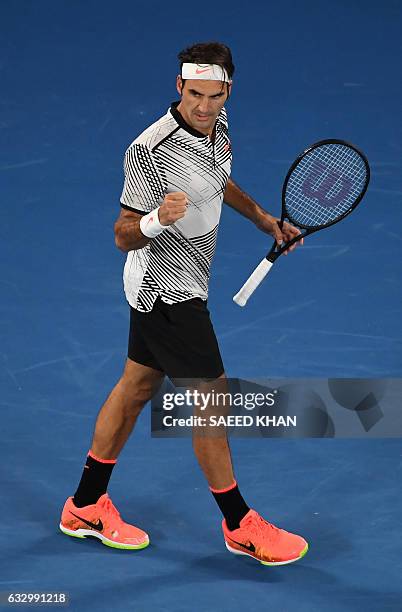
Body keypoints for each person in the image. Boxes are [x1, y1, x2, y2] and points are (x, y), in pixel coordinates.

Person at [60, 41, 308, 565]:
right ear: (179, 87)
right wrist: (157, 219)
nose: (202, 105)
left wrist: (265, 219)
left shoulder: (219, 126)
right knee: (211, 400)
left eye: (213, 96)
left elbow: (218, 180)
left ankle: (84, 504)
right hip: (164, 289)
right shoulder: (149, 150)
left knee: (136, 387)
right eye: (193, 94)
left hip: (180, 286)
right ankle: (240, 524)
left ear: (227, 92)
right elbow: (122, 234)